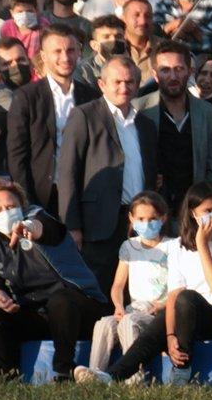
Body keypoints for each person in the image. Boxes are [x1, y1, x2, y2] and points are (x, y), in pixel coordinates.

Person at [75, 181, 212, 386]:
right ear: (193, 213)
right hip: (181, 315)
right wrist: (171, 335)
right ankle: (111, 376)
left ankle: (182, 368)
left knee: (186, 297)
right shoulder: (179, 246)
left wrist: (202, 244)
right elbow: (173, 293)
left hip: (210, 314)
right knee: (167, 314)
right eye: (208, 210)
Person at [0, 176, 110, 380]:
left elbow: (44, 228)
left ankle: (65, 369)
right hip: (33, 312)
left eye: (11, 206)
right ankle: (6, 379)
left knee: (60, 300)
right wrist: (0, 298)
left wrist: (30, 228)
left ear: (22, 206)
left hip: (77, 308)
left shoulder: (39, 217)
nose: (5, 213)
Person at [58, 55, 158, 294]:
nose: (124, 87)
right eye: (117, 82)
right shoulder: (85, 115)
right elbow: (68, 172)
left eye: (130, 82)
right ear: (102, 84)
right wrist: (72, 225)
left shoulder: (145, 123)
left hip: (138, 222)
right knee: (98, 289)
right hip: (98, 222)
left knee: (138, 288)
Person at [6, 26, 99, 215]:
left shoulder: (92, 97)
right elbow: (16, 154)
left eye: (71, 50)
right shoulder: (26, 97)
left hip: (83, 193)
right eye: (57, 51)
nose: (65, 58)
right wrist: (27, 202)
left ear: (79, 52)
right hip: (41, 195)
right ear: (43, 55)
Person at [133, 40, 212, 214]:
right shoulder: (139, 109)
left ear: (190, 71)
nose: (173, 77)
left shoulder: (208, 113)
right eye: (165, 70)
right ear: (155, 74)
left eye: (179, 69)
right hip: (154, 211)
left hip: (194, 208)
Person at [87, 191, 173, 376]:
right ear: (131, 218)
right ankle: (95, 375)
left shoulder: (173, 246)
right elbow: (118, 285)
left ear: (163, 218)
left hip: (157, 312)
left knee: (129, 323)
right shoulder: (128, 247)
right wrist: (118, 306)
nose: (146, 223)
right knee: (104, 324)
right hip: (132, 308)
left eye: (152, 218)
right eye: (140, 218)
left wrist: (160, 305)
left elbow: (180, 287)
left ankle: (134, 378)